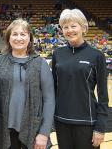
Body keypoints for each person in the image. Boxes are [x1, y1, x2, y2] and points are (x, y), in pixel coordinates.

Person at [0, 18, 55, 149]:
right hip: (4, 130)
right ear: (8, 38)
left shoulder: (40, 63)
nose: (18, 38)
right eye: (14, 34)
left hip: (33, 129)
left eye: (23, 34)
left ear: (29, 38)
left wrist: (44, 133)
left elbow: (49, 99)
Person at [52, 9, 109, 149]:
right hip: (61, 121)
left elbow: (103, 96)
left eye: (73, 26)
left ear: (83, 28)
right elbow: (53, 88)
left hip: (87, 122)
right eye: (65, 27)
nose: (69, 30)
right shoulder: (57, 54)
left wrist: (100, 127)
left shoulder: (97, 56)